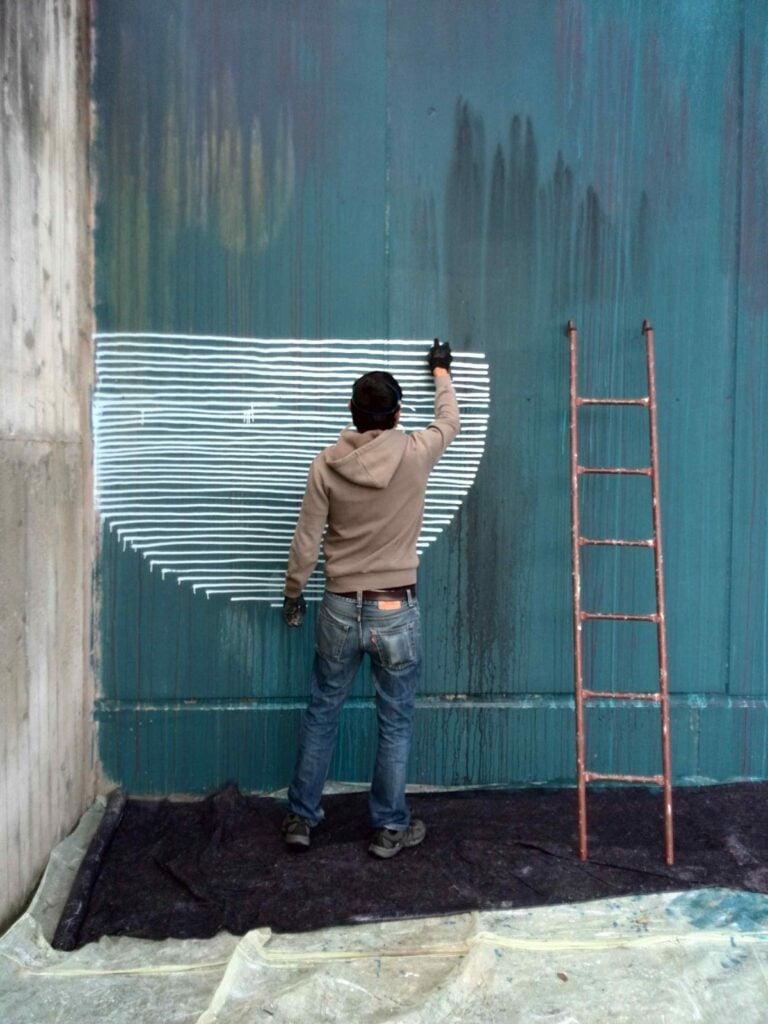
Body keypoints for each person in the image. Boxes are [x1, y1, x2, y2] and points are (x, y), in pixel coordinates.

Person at [280, 339, 459, 858]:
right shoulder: (416, 451)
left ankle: (301, 818)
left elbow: (305, 542)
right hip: (394, 609)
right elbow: (451, 420)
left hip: (338, 606)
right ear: (398, 413)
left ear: (353, 414)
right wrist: (441, 371)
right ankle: (387, 827)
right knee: (395, 719)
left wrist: (294, 595)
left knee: (321, 712)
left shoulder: (325, 465)